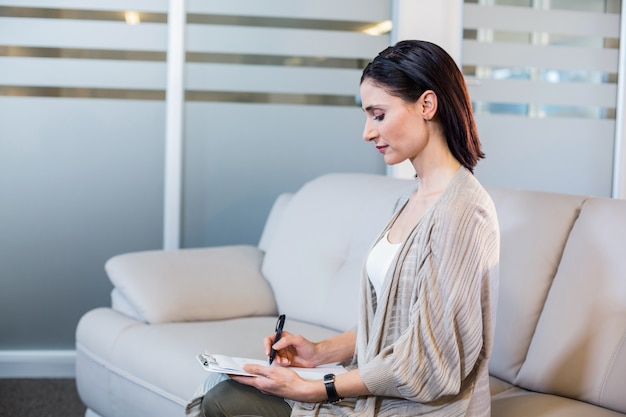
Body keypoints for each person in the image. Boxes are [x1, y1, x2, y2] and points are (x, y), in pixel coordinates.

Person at [200, 39, 500, 417]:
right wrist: (319, 352)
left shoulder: (462, 213)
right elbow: (393, 329)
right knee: (223, 384)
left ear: (427, 104)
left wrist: (317, 389)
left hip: (418, 409)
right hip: (380, 396)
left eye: (378, 115)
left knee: (228, 401)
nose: (367, 133)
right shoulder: (409, 200)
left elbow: (428, 363)